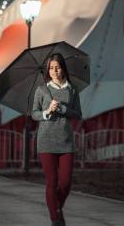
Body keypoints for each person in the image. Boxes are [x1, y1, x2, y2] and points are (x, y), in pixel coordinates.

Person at [31, 53, 82, 226]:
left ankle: (56, 207)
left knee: (66, 182)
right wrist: (47, 112)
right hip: (46, 141)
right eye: (51, 68)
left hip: (66, 141)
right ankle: (56, 219)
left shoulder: (72, 89)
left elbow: (77, 114)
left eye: (57, 67)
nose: (54, 71)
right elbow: (34, 114)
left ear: (63, 68)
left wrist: (63, 109)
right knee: (51, 181)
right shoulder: (42, 89)